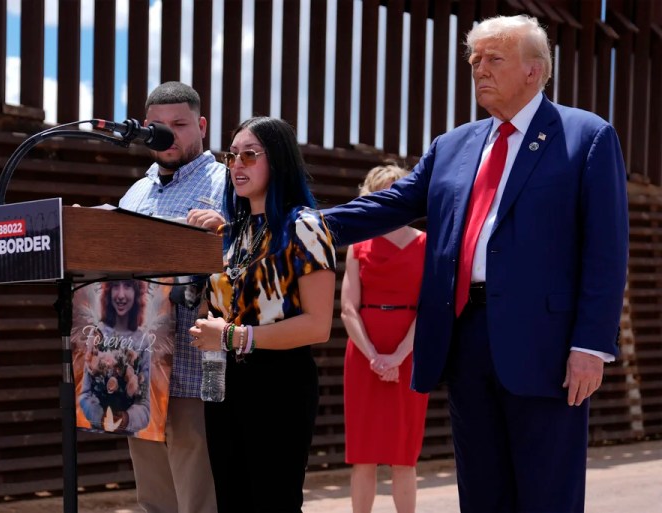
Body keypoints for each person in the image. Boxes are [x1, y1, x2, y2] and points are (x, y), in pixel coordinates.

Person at [322, 15, 629, 513]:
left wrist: (591, 344)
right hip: (465, 338)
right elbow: (391, 204)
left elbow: (607, 250)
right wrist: (312, 226)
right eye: (473, 60)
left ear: (534, 70)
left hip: (546, 348)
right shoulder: (453, 145)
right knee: (482, 495)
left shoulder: (586, 137)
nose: (478, 69)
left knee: (546, 494)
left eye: (493, 59)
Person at [187, 117, 337, 513]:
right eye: (232, 155)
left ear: (279, 160)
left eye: (250, 155)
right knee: (231, 502)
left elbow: (318, 326)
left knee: (273, 501)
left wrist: (233, 336)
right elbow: (217, 308)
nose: (237, 164)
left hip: (280, 384)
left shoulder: (304, 226)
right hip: (223, 382)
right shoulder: (231, 233)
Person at [119, 81, 226, 513]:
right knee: (151, 484)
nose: (168, 134)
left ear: (201, 125)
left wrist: (224, 229)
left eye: (179, 125)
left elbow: (254, 252)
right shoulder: (135, 192)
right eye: (157, 126)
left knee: (195, 467)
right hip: (137, 355)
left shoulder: (225, 184)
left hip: (194, 357)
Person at [341, 164, 429, 513]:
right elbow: (348, 308)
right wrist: (376, 357)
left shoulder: (427, 244)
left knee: (404, 456)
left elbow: (429, 310)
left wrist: (397, 357)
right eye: (384, 191)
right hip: (363, 354)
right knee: (363, 456)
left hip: (410, 353)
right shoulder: (358, 245)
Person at [79, 280, 151, 433]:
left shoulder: (143, 340)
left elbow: (144, 405)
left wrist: (127, 419)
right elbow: (85, 395)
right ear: (108, 291)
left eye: (128, 286)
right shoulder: (98, 333)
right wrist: (100, 416)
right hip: (97, 435)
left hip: (129, 436)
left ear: (137, 293)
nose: (121, 295)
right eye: (115, 286)